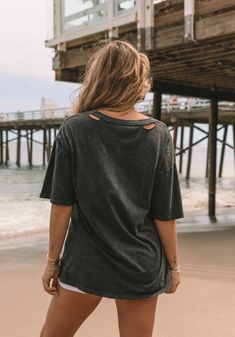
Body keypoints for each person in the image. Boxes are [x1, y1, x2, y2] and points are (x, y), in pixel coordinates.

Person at [39, 40, 184, 337]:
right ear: (135, 82)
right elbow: (164, 213)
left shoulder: (74, 129)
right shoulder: (158, 134)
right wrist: (174, 266)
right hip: (140, 264)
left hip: (85, 263)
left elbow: (61, 207)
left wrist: (52, 263)